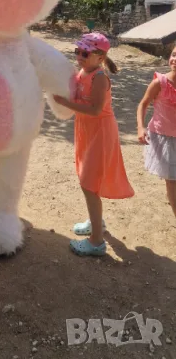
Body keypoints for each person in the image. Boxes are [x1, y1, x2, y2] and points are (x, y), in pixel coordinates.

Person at [54, 32, 134, 257]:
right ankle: (96, 221)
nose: (79, 56)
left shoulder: (99, 77)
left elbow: (96, 110)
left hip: (100, 132)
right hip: (86, 130)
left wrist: (65, 103)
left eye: (85, 53)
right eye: (77, 51)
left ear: (100, 57)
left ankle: (96, 241)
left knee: (89, 184)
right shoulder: (84, 71)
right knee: (86, 178)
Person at [137, 43, 176, 219]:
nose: (175, 59)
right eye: (173, 55)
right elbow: (143, 104)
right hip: (164, 139)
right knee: (172, 180)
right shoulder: (159, 83)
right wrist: (141, 127)